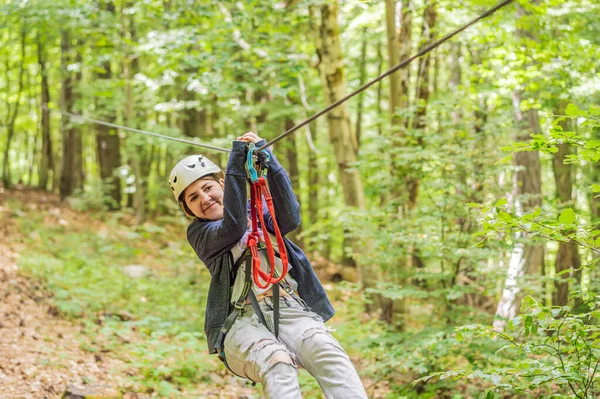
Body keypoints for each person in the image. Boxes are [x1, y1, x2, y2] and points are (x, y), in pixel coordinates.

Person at [168, 132, 368, 398]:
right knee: (277, 364)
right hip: (241, 322)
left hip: (289, 310)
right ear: (189, 210)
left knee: (328, 352)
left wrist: (268, 159)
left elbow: (290, 217)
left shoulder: (259, 212)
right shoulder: (200, 234)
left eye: (207, 188)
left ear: (222, 183)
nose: (203, 199)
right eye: (193, 198)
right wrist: (237, 157)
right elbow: (234, 225)